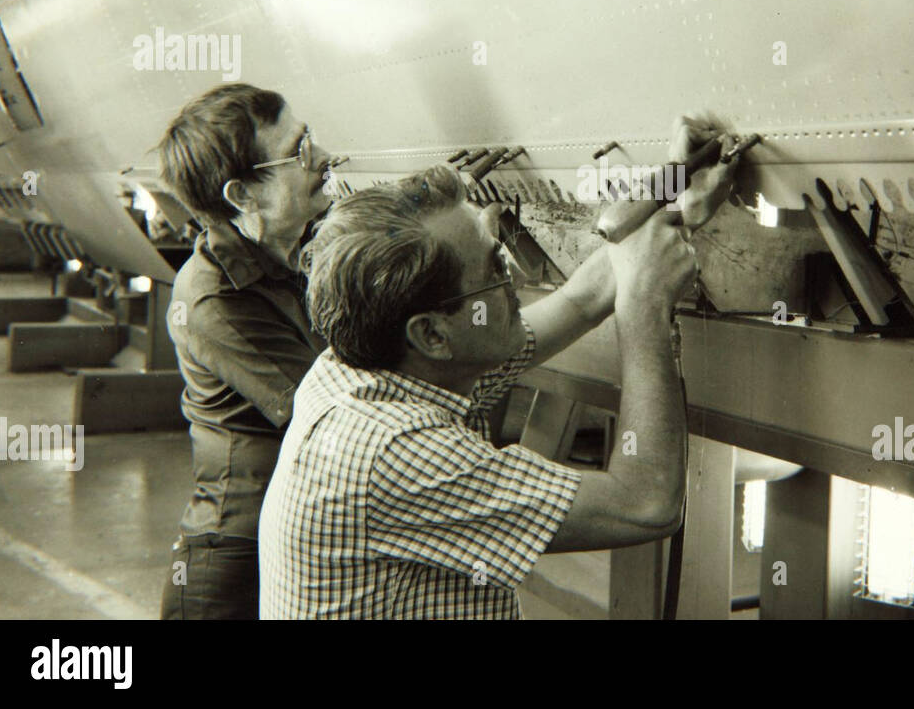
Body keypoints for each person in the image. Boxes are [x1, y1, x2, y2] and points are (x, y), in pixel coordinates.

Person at [259, 132, 736, 618]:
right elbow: (646, 503)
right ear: (432, 335)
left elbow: (580, 301)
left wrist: (675, 194)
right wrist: (645, 306)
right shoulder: (394, 451)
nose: (514, 271)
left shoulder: (364, 371)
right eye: (493, 268)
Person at [156, 83, 343, 619]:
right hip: (235, 565)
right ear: (243, 196)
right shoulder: (213, 297)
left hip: (290, 534)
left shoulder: (287, 257)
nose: (324, 159)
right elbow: (333, 413)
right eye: (301, 150)